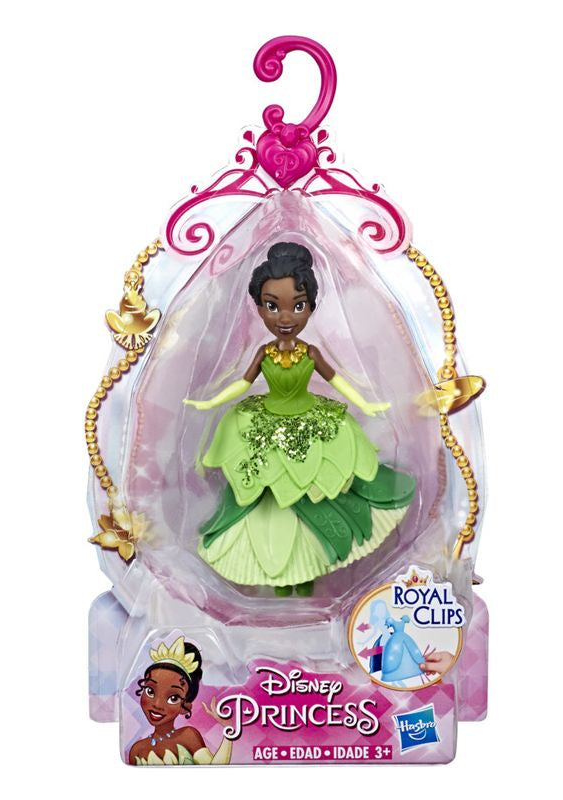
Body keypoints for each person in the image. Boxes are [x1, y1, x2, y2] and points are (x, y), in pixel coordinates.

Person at [185, 242, 416, 595]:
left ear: (310, 307)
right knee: (268, 491)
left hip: (311, 421)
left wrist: (365, 405)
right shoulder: (264, 353)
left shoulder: (311, 352)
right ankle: (281, 576)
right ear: (259, 307)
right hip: (264, 422)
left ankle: (311, 567)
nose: (285, 318)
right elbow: (242, 383)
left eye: (297, 306)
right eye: (272, 306)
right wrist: (210, 402)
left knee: (316, 487)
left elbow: (336, 380)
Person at [128, 636, 232, 765]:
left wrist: (228, 731)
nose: (157, 704)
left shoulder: (188, 736)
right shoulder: (137, 750)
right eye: (150, 691)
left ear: (185, 706)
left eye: (173, 698)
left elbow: (214, 767)